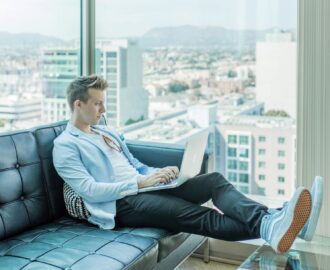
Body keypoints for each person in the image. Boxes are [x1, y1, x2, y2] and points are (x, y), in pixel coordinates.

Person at [53, 75, 323, 254]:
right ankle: (281, 222)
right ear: (78, 104)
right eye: (98, 104)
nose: (103, 110)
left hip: (145, 187)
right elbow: (90, 190)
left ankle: (276, 222)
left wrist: (156, 173)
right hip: (121, 204)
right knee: (198, 215)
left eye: (104, 103)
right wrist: (140, 182)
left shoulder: (106, 132)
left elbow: (133, 163)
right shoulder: (66, 145)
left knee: (214, 181)